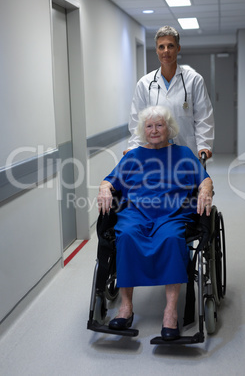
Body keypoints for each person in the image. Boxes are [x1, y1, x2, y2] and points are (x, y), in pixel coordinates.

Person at [97, 106, 213, 341]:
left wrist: (205, 190)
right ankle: (126, 307)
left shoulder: (183, 154)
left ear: (169, 128)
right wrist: (104, 189)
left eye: (159, 125)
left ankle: (170, 312)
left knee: (171, 239)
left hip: (172, 213)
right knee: (126, 236)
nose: (154, 130)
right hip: (136, 212)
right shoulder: (133, 156)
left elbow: (204, 179)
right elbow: (110, 180)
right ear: (143, 130)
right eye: (149, 126)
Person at [125, 25, 214, 159]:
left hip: (187, 151)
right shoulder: (145, 83)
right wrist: (133, 147)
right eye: (161, 47)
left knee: (189, 180)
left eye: (170, 46)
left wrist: (204, 146)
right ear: (156, 50)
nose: (166, 51)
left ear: (178, 48)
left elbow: (203, 117)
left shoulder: (194, 80)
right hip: (154, 153)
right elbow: (137, 121)